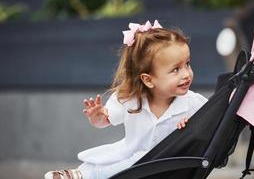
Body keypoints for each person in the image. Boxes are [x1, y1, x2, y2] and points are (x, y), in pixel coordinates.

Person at [44, 20, 208, 179]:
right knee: (104, 163)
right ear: (148, 80)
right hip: (129, 159)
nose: (186, 74)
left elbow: (209, 127)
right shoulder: (130, 99)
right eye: (176, 70)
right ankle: (84, 173)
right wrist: (98, 117)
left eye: (187, 64)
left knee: (137, 161)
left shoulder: (193, 103)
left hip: (164, 167)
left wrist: (192, 127)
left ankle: (87, 176)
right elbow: (106, 120)